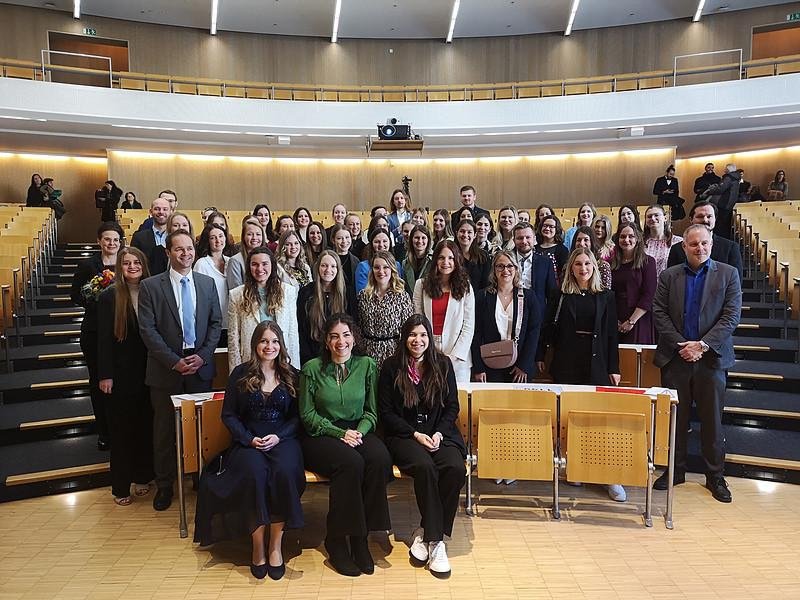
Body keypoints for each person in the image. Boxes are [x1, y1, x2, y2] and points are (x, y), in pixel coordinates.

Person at [194, 321, 305, 580]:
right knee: (254, 473)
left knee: (284, 472)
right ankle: (257, 546)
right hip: (248, 441)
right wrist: (249, 439)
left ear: (281, 345)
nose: (270, 346)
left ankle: (276, 544)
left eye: (275, 341)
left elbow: (298, 418)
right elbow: (229, 415)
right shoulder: (240, 374)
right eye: (264, 341)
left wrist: (278, 437)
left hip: (283, 440)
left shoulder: (292, 375)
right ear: (255, 345)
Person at [652, 225, 741, 503]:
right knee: (675, 419)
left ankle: (715, 475)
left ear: (711, 244)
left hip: (711, 359)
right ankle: (675, 470)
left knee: (712, 420)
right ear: (684, 247)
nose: (699, 248)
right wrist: (682, 344)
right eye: (693, 244)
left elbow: (731, 316)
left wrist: (701, 345)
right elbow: (659, 312)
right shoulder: (669, 276)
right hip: (676, 357)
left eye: (704, 243)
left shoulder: (728, 274)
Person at [299, 314, 393, 577]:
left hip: (357, 429)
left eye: (346, 335)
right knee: (351, 463)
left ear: (355, 338)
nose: (341, 341)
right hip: (321, 434)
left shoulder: (367, 365)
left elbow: (372, 413)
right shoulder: (311, 368)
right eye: (334, 336)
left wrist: (357, 433)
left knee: (378, 459)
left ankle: (361, 537)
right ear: (326, 341)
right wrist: (340, 433)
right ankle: (337, 539)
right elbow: (307, 416)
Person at [138, 230, 222, 511]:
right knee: (164, 430)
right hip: (166, 369)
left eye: (189, 249)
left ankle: (200, 478)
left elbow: (214, 324)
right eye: (179, 249)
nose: (185, 254)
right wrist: (173, 360)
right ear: (168, 253)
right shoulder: (151, 286)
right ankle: (164, 485)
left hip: (200, 367)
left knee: (200, 429)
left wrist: (203, 355)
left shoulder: (207, 284)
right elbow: (147, 330)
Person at [379, 314, 466, 578]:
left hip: (440, 433)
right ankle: (436, 542)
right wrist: (415, 434)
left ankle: (428, 534)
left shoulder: (443, 364)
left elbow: (452, 406)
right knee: (425, 467)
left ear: (430, 337)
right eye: (412, 335)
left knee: (454, 467)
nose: (418, 340)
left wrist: (439, 433)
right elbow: (386, 413)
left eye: (423, 335)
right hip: (405, 435)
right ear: (404, 338)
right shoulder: (391, 366)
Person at [536, 248, 623, 502]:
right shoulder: (560, 294)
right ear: (570, 269)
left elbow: (611, 335)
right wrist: (540, 355)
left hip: (597, 364)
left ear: (594, 266)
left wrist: (613, 368)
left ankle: (608, 476)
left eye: (587, 263)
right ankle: (576, 467)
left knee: (598, 421)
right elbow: (547, 328)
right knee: (571, 419)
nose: (583, 268)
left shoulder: (606, 296)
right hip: (567, 363)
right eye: (578, 264)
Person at [97, 246, 154, 506]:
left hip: (149, 371)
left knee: (145, 427)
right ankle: (120, 486)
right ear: (119, 267)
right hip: (120, 375)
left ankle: (143, 476)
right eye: (126, 263)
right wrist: (105, 374)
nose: (132, 267)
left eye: (136, 263)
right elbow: (103, 341)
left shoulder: (152, 290)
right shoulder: (110, 296)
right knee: (122, 432)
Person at [70, 222, 124, 451]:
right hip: (94, 331)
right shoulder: (87, 265)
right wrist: (95, 296)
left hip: (122, 332)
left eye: (115, 240)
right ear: (99, 241)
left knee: (122, 384)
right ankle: (104, 431)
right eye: (107, 239)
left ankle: (121, 429)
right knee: (98, 383)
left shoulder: (127, 262)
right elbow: (75, 296)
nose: (111, 244)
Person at [472, 251, 541, 384]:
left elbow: (534, 332)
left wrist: (524, 365)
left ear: (516, 269)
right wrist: (478, 367)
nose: (505, 270)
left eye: (510, 266)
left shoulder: (528, 297)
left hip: (519, 367)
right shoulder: (483, 296)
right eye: (500, 266)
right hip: (489, 364)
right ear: (494, 269)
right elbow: (476, 333)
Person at [228, 247, 300, 371]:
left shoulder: (288, 292)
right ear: (249, 268)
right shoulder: (237, 295)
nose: (260, 269)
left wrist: (294, 368)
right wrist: (235, 372)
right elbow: (233, 338)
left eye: (264, 264)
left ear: (272, 265)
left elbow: (292, 333)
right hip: (251, 360)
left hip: (280, 358)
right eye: (254, 264)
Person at [413, 240, 475, 383]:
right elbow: (418, 321)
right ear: (435, 260)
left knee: (456, 401)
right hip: (428, 352)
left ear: (457, 260)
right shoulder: (421, 285)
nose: (445, 262)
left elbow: (468, 325)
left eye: (450, 258)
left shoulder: (465, 287)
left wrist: (453, 357)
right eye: (441, 257)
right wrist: (429, 352)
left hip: (458, 357)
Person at [357, 251, 413, 370]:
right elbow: (359, 327)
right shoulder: (363, 296)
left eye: (385, 267)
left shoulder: (402, 297)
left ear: (392, 269)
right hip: (368, 354)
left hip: (394, 353)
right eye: (376, 267)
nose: (381, 271)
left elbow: (408, 330)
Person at [298, 251, 354, 365]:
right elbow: (301, 329)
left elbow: (353, 326)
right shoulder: (306, 292)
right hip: (313, 356)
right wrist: (309, 360)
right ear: (318, 267)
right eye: (324, 265)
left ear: (338, 269)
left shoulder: (348, 293)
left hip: (342, 354)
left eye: (333, 266)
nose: (328, 270)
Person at [667, 201, 743, 281]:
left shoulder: (730, 248)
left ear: (715, 219)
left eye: (709, 216)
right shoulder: (676, 249)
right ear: (691, 219)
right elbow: (672, 280)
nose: (705, 220)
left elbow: (736, 282)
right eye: (700, 216)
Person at [611, 224, 657, 344]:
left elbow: (649, 294)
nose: (626, 240)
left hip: (639, 317)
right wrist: (613, 319)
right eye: (622, 236)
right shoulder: (612, 263)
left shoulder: (648, 262)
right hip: (616, 316)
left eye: (631, 236)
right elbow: (607, 294)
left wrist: (631, 321)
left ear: (637, 239)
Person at [511, 222, 557, 321]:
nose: (524, 241)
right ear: (513, 240)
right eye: (519, 238)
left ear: (534, 239)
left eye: (528, 237)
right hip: (510, 314)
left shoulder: (545, 263)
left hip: (537, 316)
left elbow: (552, 295)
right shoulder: (507, 261)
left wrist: (547, 318)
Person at [193, 224, 230, 344]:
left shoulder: (232, 262)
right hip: (211, 323)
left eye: (221, 236)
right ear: (207, 241)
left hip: (231, 320)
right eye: (213, 238)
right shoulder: (202, 263)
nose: (218, 240)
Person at [355, 228, 402, 294]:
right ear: (371, 244)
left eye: (385, 241)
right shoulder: (363, 267)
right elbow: (362, 293)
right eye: (377, 242)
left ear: (390, 242)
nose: (381, 245)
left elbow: (399, 288)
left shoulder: (397, 265)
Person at [131, 197, 170, 274]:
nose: (161, 212)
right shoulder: (139, 237)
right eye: (157, 209)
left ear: (171, 212)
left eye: (165, 209)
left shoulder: (176, 237)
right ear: (150, 212)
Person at [643, 204, 683, 279]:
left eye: (656, 215)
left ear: (665, 218)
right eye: (649, 216)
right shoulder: (640, 243)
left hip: (670, 285)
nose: (653, 218)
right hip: (646, 286)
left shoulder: (678, 241)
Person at [702, 163, 741, 239]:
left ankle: (717, 240)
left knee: (720, 225)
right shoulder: (736, 179)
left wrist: (710, 191)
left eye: (725, 169)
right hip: (731, 204)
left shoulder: (729, 177)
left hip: (724, 203)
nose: (724, 170)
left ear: (728, 170)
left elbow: (721, 189)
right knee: (726, 225)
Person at [225, 218, 265, 291]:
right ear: (243, 237)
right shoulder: (235, 261)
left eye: (258, 234)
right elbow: (236, 292)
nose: (254, 238)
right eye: (250, 234)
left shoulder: (268, 259)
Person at [455, 219, 491, 291]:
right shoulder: (451, 255)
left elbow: (486, 284)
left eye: (469, 232)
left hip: (478, 299)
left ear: (474, 235)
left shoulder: (483, 256)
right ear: (456, 233)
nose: (465, 235)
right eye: (462, 231)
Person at [535, 215, 569, 286]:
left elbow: (564, 273)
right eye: (545, 225)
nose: (547, 228)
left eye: (551, 226)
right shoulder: (534, 248)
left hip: (554, 288)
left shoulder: (562, 250)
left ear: (557, 229)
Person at [329, 224, 359, 294]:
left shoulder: (356, 260)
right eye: (339, 238)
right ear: (333, 240)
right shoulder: (328, 259)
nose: (344, 241)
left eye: (347, 237)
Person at [403, 224, 432, 294]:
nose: (420, 241)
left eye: (423, 238)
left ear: (428, 240)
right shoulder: (405, 262)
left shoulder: (434, 260)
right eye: (417, 237)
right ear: (411, 240)